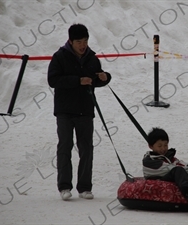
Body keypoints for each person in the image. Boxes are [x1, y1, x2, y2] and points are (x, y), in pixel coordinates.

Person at [48, 23, 111, 201]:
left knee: (86, 148)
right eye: (79, 42)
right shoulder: (59, 56)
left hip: (85, 109)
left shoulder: (92, 58)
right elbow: (53, 80)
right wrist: (77, 81)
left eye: (85, 41)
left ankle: (84, 187)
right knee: (65, 146)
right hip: (65, 110)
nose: (82, 45)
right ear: (70, 41)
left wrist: (105, 77)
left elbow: (96, 79)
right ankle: (64, 186)